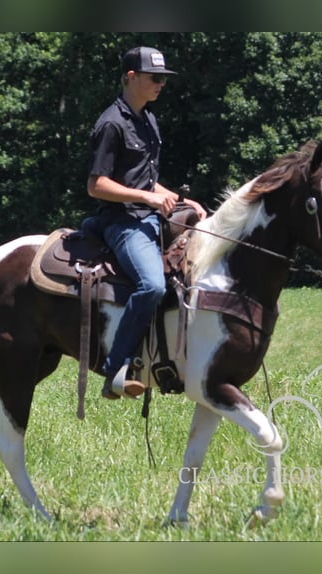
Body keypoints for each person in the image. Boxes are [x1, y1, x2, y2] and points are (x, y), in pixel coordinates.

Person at [84, 46, 207, 400]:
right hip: (122, 222)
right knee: (152, 285)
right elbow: (97, 185)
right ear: (131, 77)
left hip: (149, 216)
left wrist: (183, 202)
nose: (161, 85)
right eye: (155, 78)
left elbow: (145, 180)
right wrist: (149, 199)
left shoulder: (148, 120)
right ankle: (115, 370)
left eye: (164, 79)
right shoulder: (111, 123)